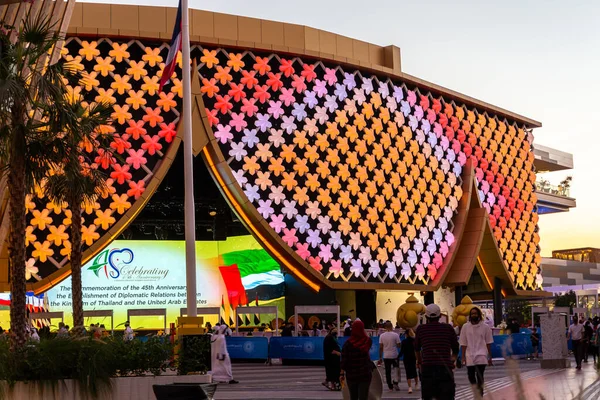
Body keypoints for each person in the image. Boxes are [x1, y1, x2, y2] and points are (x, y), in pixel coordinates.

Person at [415, 303, 459, 400]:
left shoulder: (421, 329)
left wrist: (419, 362)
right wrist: (453, 359)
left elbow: (417, 348)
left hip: (427, 368)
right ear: (440, 316)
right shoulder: (448, 328)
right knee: (447, 396)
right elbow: (456, 348)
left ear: (426, 316)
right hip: (445, 368)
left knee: (428, 396)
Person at [459, 307, 494, 398]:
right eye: (472, 314)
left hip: (481, 355)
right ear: (470, 316)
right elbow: (463, 343)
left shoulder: (485, 327)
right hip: (469, 355)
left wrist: (490, 356)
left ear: (479, 315)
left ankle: (480, 395)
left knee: (480, 376)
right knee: (470, 376)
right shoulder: (465, 327)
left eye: (475, 313)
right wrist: (462, 357)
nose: (474, 315)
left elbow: (488, 342)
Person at [341, 320, 373, 400]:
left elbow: (344, 360)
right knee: (363, 396)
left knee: (353, 396)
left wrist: (341, 374)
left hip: (352, 374)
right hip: (365, 373)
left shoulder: (347, 344)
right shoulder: (367, 341)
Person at [378, 321, 401, 392]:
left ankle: (390, 387)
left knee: (388, 372)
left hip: (386, 356)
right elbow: (399, 345)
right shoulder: (395, 335)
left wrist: (380, 357)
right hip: (394, 355)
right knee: (396, 370)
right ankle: (395, 382)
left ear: (385, 327)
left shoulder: (382, 336)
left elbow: (381, 347)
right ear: (391, 327)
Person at [400, 328, 419, 394]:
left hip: (406, 358)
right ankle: (416, 383)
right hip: (413, 358)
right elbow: (417, 350)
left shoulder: (404, 342)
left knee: (408, 372)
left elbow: (402, 351)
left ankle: (410, 387)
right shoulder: (414, 341)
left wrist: (397, 357)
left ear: (406, 334)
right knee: (414, 371)